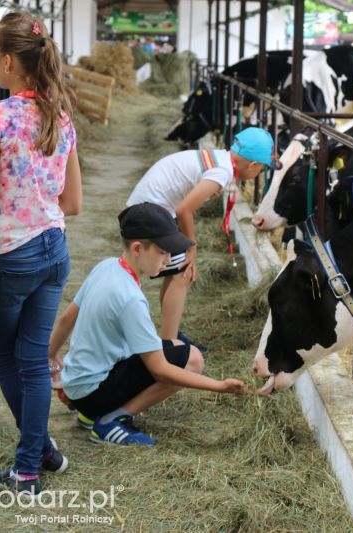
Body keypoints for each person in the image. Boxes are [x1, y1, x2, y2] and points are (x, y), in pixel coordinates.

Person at [0, 11, 82, 498]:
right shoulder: (60, 115)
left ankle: (28, 468)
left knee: (6, 357)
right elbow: (74, 203)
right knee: (33, 361)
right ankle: (42, 452)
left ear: (5, 60)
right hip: (54, 250)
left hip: (10, 257)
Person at [49, 202, 247, 446]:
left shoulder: (106, 267)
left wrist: (52, 358)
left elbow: (67, 318)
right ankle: (111, 421)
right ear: (138, 248)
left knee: (174, 344)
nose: (168, 260)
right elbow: (159, 370)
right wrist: (218, 386)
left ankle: (90, 414)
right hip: (93, 393)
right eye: (163, 252)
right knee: (193, 360)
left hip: (77, 386)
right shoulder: (130, 297)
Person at [126, 127, 279, 350]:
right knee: (184, 273)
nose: (260, 173)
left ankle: (171, 334)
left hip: (147, 209)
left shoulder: (220, 159)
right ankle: (170, 346)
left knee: (176, 270)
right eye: (263, 169)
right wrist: (192, 248)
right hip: (148, 214)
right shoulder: (222, 171)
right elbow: (184, 210)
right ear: (253, 165)